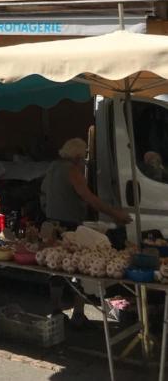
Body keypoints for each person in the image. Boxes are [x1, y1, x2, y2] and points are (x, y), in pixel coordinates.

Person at [42, 138, 131, 328]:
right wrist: (116, 214)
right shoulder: (72, 170)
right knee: (78, 267)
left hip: (52, 222)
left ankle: (56, 310)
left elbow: (44, 194)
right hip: (70, 226)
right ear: (76, 156)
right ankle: (78, 314)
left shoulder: (52, 167)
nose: (83, 161)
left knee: (54, 268)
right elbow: (89, 197)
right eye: (83, 158)